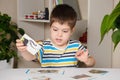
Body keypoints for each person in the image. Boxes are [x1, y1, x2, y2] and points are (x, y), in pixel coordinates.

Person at [16, 4, 95, 68]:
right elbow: (30, 57)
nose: (59, 35)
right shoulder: (43, 45)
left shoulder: (76, 45)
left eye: (65, 31)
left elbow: (92, 62)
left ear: (71, 31)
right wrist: (24, 50)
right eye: (55, 30)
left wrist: (86, 60)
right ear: (50, 28)